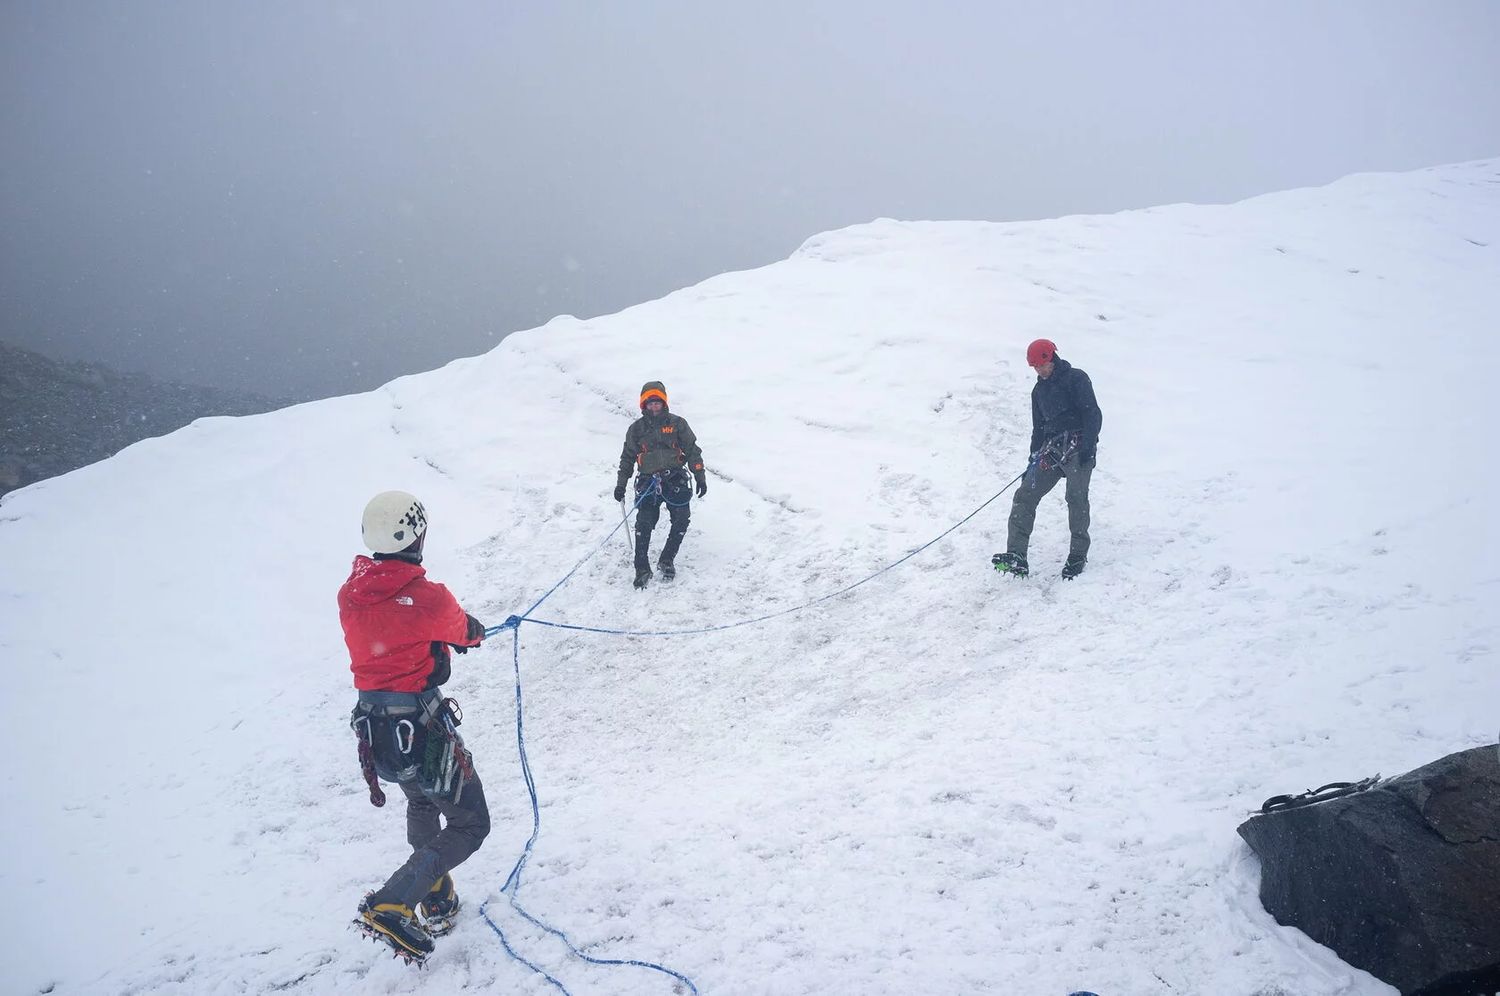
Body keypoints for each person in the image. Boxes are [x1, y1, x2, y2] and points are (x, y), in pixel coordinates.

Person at [338, 490, 490, 965]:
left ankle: (437, 897)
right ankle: (393, 900)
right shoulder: (428, 597)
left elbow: (395, 628)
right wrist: (467, 635)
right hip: (421, 728)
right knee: (470, 822)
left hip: (379, 731)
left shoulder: (351, 592)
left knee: (422, 800)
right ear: (417, 535)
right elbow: (464, 630)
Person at [993, 339, 1103, 580]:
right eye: (1035, 368)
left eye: (1042, 365)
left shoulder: (1076, 378)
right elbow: (1038, 429)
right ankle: (1017, 555)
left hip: (1078, 445)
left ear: (1052, 358)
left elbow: (1092, 413)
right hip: (1051, 449)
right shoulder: (1038, 391)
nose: (1039, 371)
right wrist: (1032, 459)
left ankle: (1077, 554)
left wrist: (1088, 448)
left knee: (1075, 497)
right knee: (1025, 495)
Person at [613, 380, 707, 588]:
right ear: (644, 405)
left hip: (675, 479)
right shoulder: (636, 429)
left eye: (657, 402)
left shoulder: (677, 423)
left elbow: (692, 450)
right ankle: (641, 568)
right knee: (643, 524)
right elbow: (627, 458)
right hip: (648, 482)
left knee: (682, 519)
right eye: (650, 403)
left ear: (663, 403)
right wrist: (621, 484)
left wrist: (700, 475)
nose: (654, 406)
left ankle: (667, 560)